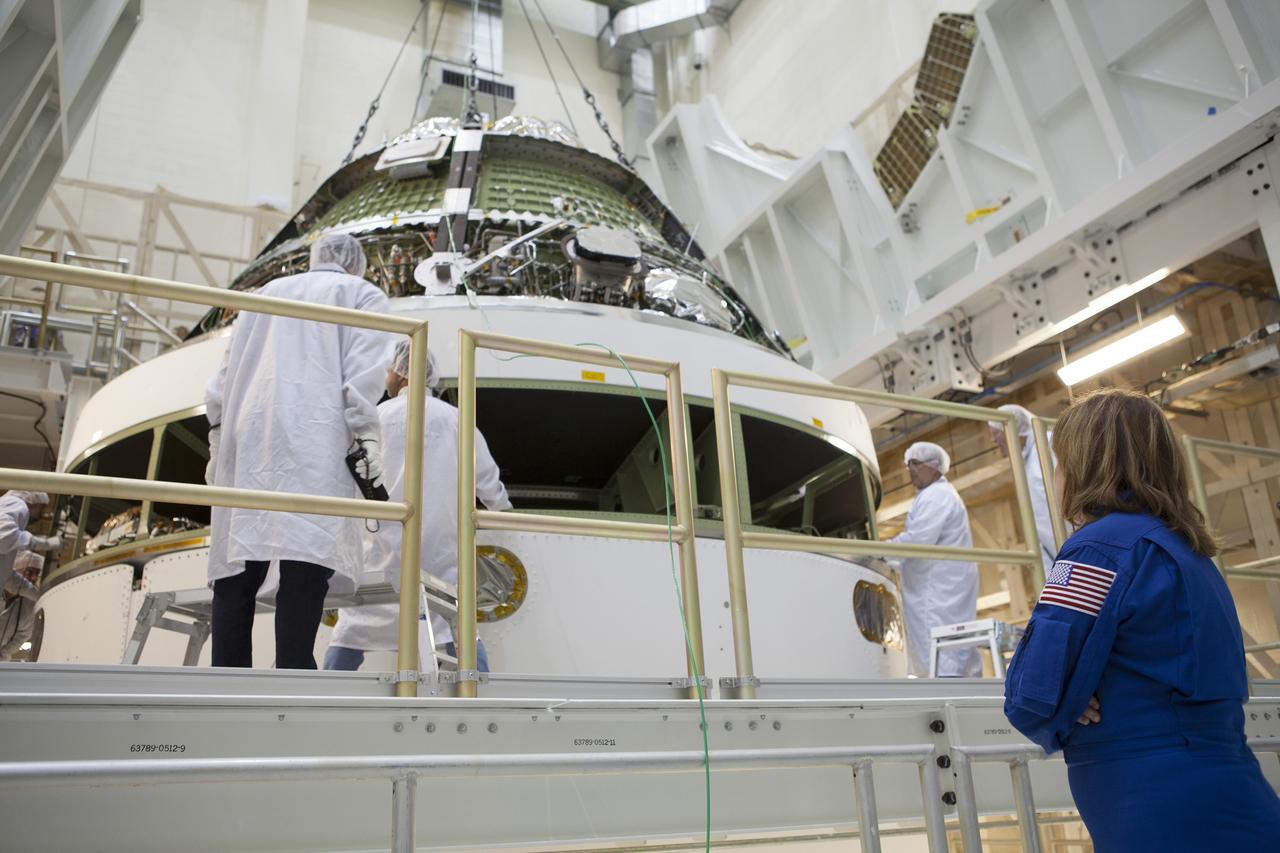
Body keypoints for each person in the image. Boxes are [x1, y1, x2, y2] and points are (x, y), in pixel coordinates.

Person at [1004, 388, 1280, 851]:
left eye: (1059, 463)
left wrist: (1069, 697)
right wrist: (1071, 689)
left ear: (1084, 467)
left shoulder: (1096, 549)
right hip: (1228, 794)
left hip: (1156, 808)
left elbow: (1031, 693)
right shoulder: (1189, 554)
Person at [205, 233, 394, 669]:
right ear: (358, 263)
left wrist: (219, 445)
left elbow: (219, 385)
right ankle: (293, 674)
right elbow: (363, 380)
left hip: (248, 434)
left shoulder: (264, 295)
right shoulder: (361, 295)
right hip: (314, 434)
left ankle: (225, 680)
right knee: (305, 559)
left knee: (238, 564)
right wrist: (366, 440)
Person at [324, 342, 512, 671]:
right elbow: (488, 482)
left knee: (354, 630)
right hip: (440, 554)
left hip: (380, 552)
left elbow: (347, 480)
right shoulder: (456, 420)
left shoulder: (376, 418)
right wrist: (506, 517)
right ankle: (484, 699)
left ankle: (321, 704)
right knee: (459, 632)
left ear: (397, 372)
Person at [888, 442, 980, 677]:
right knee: (945, 650)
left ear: (934, 467)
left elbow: (918, 539)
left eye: (916, 464)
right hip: (937, 590)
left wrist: (879, 551)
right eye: (908, 465)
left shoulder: (937, 496)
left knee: (941, 652)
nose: (911, 470)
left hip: (938, 592)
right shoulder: (931, 495)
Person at [988, 404, 1058, 574]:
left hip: (1077, 547)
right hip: (1058, 554)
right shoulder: (1026, 460)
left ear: (1013, 428)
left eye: (996, 433)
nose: (993, 440)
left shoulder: (1048, 446)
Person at [0, 491, 59, 591]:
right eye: (41, 508)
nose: (41, 515)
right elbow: (3, 537)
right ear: (33, 501)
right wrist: (45, 544)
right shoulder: (17, 503)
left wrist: (35, 594)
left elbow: (6, 577)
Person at [0, 552, 42, 660]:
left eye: (37, 574)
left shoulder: (30, 605)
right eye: (29, 572)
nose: (33, 578)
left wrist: (3, 653)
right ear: (13, 572)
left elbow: (22, 635)